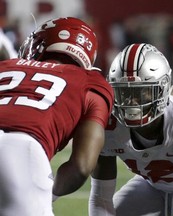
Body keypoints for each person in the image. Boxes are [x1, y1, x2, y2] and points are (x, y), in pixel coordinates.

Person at [89, 43, 173, 216]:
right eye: (124, 92)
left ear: (163, 89)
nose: (132, 102)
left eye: (142, 92)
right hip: (151, 185)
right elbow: (100, 200)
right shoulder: (106, 126)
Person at [0, 17, 114, 216]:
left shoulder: (6, 65)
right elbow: (81, 166)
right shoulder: (91, 82)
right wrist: (43, 193)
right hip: (19, 152)